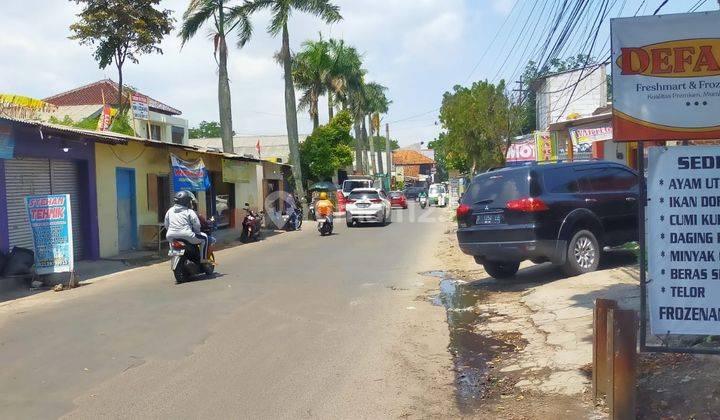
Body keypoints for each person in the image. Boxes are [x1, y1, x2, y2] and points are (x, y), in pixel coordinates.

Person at [164, 190, 210, 262]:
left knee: (172, 243)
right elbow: (197, 224)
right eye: (190, 201)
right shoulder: (189, 211)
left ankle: (175, 256)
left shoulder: (170, 210)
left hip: (170, 236)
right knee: (205, 238)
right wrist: (197, 232)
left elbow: (166, 224)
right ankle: (203, 259)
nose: (191, 203)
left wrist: (171, 231)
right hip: (187, 235)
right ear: (186, 201)